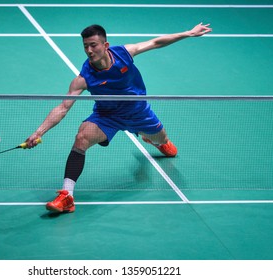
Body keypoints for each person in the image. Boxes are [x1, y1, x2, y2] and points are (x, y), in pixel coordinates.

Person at [25, 23, 212, 213]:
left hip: (139, 113)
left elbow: (156, 42)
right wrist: (38, 132)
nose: (89, 50)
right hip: (107, 116)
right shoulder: (84, 78)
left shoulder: (124, 54)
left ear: (106, 45)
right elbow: (63, 107)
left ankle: (156, 141)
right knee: (81, 138)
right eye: (85, 46)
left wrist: (188, 33)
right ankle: (67, 196)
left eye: (93, 45)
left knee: (166, 145)